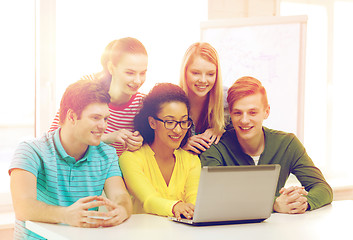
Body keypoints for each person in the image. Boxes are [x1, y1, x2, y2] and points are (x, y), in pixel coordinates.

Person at [9, 80, 132, 240]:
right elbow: (23, 207)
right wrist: (66, 215)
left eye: (106, 119)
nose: (103, 126)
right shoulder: (30, 150)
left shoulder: (107, 154)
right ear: (72, 117)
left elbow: (120, 196)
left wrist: (122, 210)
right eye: (95, 118)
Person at [200, 76, 333, 214]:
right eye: (238, 113)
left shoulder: (287, 144)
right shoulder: (214, 148)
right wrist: (274, 204)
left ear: (266, 112)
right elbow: (215, 199)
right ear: (230, 115)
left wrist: (301, 203)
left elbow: (323, 188)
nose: (244, 120)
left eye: (252, 112)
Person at [50, 37, 148, 156]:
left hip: (114, 170)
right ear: (111, 68)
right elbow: (55, 136)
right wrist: (105, 138)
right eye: (129, 73)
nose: (138, 81)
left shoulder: (142, 103)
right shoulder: (86, 87)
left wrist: (139, 144)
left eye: (142, 73)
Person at [119, 83, 201, 220]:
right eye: (170, 122)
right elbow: (149, 200)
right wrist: (176, 207)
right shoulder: (130, 158)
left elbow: (195, 200)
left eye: (183, 122)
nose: (178, 130)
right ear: (152, 123)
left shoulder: (192, 160)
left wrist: (192, 210)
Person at [179, 42, 225, 154]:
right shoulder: (171, 101)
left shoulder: (227, 100)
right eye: (196, 73)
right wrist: (180, 145)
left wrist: (222, 131)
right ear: (185, 72)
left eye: (210, 74)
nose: (203, 80)